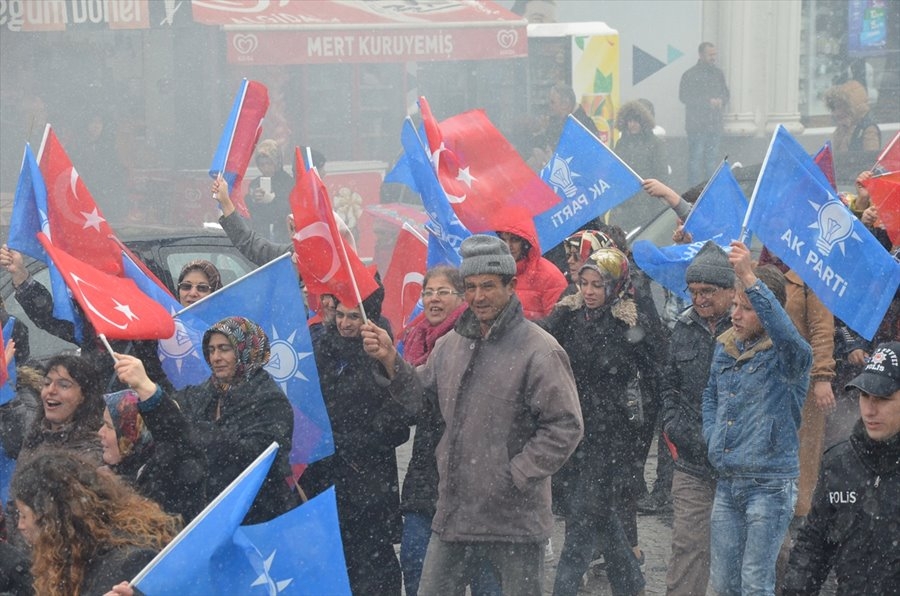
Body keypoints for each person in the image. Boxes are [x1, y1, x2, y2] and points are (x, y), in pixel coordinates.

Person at [361, 234, 584, 595]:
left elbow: (565, 426)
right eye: (471, 287)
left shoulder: (539, 350)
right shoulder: (451, 345)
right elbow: (420, 399)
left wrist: (516, 473)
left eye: (488, 286)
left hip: (514, 519)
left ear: (510, 286)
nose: (479, 296)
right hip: (454, 514)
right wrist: (391, 360)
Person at [540, 247, 654, 596]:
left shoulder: (629, 322)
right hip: (571, 430)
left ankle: (564, 587)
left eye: (597, 285)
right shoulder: (567, 316)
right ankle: (632, 583)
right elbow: (538, 341)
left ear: (615, 286)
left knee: (583, 516)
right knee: (599, 517)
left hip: (609, 437)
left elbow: (652, 379)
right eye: (584, 283)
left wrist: (638, 442)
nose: (588, 292)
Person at [702, 241, 813, 595]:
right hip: (728, 479)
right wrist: (712, 435)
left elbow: (785, 334)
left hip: (769, 484)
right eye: (735, 304)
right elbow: (710, 397)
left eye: (746, 308)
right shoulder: (726, 347)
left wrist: (749, 276)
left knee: (754, 582)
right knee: (722, 584)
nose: (735, 314)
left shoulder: (790, 356)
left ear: (769, 312)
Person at [120, 316, 297, 525]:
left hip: (252, 516)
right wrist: (147, 375)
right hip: (201, 515)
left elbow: (246, 458)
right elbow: (169, 425)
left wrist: (194, 431)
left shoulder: (270, 401)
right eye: (211, 350)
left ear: (247, 350)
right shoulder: (204, 392)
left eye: (224, 349)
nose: (216, 357)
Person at [301, 289, 413, 596]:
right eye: (340, 315)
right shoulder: (321, 350)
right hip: (326, 478)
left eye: (354, 316)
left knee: (372, 565)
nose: (345, 324)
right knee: (332, 559)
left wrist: (352, 442)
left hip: (368, 483)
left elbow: (398, 424)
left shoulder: (380, 356)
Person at [396, 266, 498, 596]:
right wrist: (388, 361)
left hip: (476, 484)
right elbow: (413, 408)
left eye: (443, 292)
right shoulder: (414, 337)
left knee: (483, 577)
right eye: (428, 292)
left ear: (460, 298)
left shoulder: (479, 340)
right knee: (415, 565)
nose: (434, 299)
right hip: (427, 477)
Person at [782, 341, 900, 594]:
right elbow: (813, 544)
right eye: (864, 395)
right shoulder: (839, 462)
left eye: (883, 398)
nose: (870, 409)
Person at [661, 241, 735, 596]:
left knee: (752, 553)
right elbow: (669, 385)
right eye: (693, 292)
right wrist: (674, 427)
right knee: (689, 549)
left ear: (731, 291)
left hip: (742, 464)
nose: (700, 299)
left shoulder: (750, 325)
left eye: (708, 291)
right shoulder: (684, 327)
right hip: (691, 462)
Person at [10, 449, 180, 596]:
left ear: (51, 520)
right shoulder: (64, 564)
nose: (20, 525)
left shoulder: (130, 561)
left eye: (24, 515)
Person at [0, 245, 170, 392]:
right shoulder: (92, 329)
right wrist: (21, 274)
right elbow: (49, 318)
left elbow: (164, 386)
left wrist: (147, 395)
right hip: (98, 419)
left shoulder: (151, 333)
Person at [98, 374, 208, 523]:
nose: (100, 433)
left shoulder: (169, 473)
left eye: (109, 426)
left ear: (133, 432)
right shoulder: (111, 473)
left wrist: (147, 389)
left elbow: (178, 437)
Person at [16, 354, 105, 466]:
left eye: (63, 385)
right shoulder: (34, 437)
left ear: (84, 396)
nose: (51, 390)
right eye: (47, 383)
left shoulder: (94, 450)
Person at [496, 214, 568, 320]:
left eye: (514, 240)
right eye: (503, 240)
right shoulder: (494, 273)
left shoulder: (550, 276)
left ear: (525, 242)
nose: (508, 246)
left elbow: (557, 323)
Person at [679, 42, 729, 186]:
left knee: (711, 163)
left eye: (715, 54)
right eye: (710, 55)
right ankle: (693, 193)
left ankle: (709, 192)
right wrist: (707, 102)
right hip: (697, 126)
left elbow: (726, 94)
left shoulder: (718, 73)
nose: (713, 58)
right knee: (695, 161)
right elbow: (684, 97)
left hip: (714, 125)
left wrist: (721, 101)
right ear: (701, 55)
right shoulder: (690, 75)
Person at [246, 139, 295, 243]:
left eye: (269, 163)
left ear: (277, 161)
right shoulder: (255, 184)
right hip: (262, 236)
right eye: (261, 165)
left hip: (283, 235)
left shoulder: (288, 183)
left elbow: (290, 209)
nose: (265, 168)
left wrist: (273, 199)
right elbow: (249, 212)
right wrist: (253, 199)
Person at [614, 100, 668, 183]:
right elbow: (616, 169)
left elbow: (661, 174)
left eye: (636, 121)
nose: (632, 124)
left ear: (643, 122)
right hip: (627, 189)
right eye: (629, 121)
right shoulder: (621, 143)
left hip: (648, 190)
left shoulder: (655, 143)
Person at [824, 79, 881, 153]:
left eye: (839, 107)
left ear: (851, 106)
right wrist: (843, 131)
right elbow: (836, 158)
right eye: (833, 109)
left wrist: (849, 132)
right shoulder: (842, 128)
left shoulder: (868, 130)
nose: (836, 113)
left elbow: (869, 160)